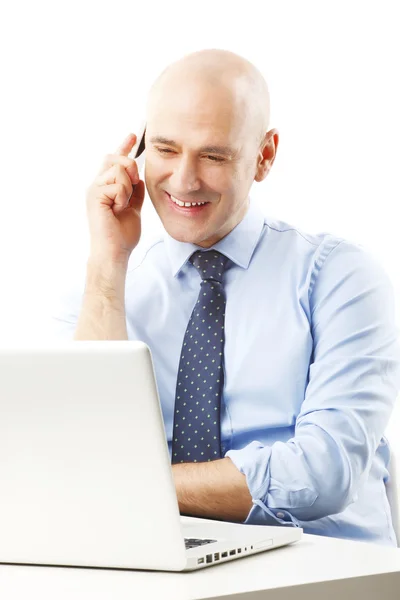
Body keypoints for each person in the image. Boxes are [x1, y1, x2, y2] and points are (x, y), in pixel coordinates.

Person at [52, 48, 400, 546]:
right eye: (166, 150)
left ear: (265, 156)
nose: (185, 180)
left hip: (323, 568)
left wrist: (132, 483)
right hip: (163, 564)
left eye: (213, 155)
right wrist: (108, 267)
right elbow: (76, 454)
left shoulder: (339, 277)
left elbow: (322, 473)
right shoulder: (104, 289)